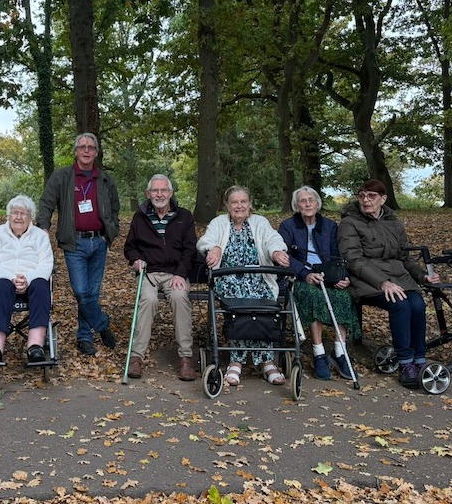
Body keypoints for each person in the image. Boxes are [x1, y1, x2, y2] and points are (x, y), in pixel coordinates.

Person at [337, 179, 439, 389]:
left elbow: (405, 256)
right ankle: (405, 363)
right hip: (367, 280)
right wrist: (383, 282)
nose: (365, 200)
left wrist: (422, 277)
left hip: (398, 278)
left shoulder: (393, 222)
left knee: (418, 304)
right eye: (362, 195)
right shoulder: (349, 223)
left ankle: (419, 360)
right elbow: (353, 260)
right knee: (400, 305)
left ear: (383, 199)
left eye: (371, 196)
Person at [197, 185, 291, 386]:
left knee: (262, 300)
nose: (239, 206)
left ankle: (266, 361)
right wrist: (213, 249)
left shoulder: (260, 222)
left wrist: (276, 252)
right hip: (227, 278)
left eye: (243, 202)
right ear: (227, 206)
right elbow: (206, 240)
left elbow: (272, 239)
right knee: (240, 300)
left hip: (259, 277)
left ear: (250, 204)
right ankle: (236, 361)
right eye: (234, 202)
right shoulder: (219, 223)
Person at [37, 132, 120, 356]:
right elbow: (46, 203)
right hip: (74, 243)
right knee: (81, 292)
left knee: (93, 292)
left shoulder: (104, 179)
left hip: (99, 241)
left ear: (96, 152)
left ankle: (84, 336)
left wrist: (110, 233)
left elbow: (114, 209)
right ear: (75, 151)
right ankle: (102, 325)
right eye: (82, 147)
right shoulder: (62, 176)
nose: (86, 151)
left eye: (90, 147)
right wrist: (43, 226)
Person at [278, 186, 361, 382]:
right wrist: (305, 274)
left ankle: (340, 353)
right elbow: (285, 256)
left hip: (327, 276)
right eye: (302, 200)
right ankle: (319, 353)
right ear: (296, 205)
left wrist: (341, 276)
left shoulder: (330, 226)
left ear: (317, 203)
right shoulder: (288, 226)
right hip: (300, 277)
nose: (307, 204)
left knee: (343, 296)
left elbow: (337, 255)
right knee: (313, 296)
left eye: (311, 200)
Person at [123, 174, 199, 381]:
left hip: (176, 271)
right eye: (155, 191)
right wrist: (136, 260)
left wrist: (181, 273)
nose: (159, 194)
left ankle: (186, 358)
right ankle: (136, 357)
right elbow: (130, 247)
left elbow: (190, 248)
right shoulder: (140, 217)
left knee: (179, 297)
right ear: (148, 194)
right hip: (149, 272)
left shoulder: (184, 216)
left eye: (163, 190)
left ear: (171, 193)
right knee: (148, 300)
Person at [0, 195, 55, 364]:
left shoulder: (40, 236)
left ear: (31, 218)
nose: (19, 217)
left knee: (42, 286)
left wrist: (27, 279)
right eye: (15, 213)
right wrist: (13, 278)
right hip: (2, 280)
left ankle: (35, 345)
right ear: (8, 215)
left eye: (24, 213)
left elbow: (46, 264)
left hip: (32, 281)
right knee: (3, 286)